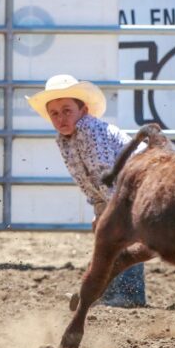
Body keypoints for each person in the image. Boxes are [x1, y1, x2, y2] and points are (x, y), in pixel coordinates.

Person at [27, 74, 147, 307]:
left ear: (83, 111)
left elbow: (105, 174)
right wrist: (100, 209)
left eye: (67, 110)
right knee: (114, 234)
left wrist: (109, 211)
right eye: (55, 113)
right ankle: (118, 292)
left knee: (120, 233)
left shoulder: (90, 131)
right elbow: (87, 180)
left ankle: (128, 294)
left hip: (142, 180)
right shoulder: (66, 139)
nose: (61, 118)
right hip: (133, 184)